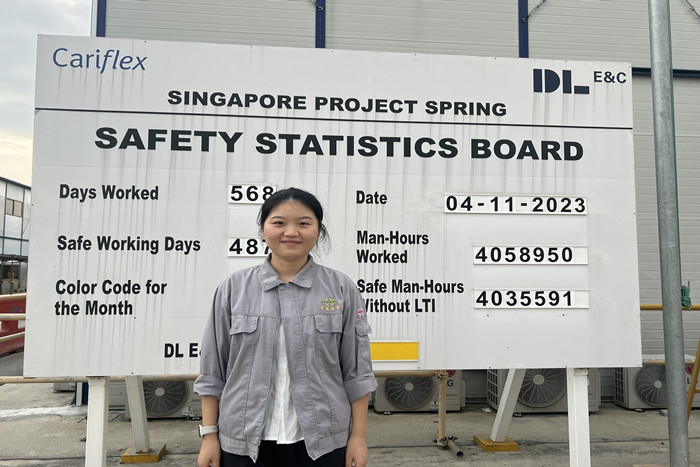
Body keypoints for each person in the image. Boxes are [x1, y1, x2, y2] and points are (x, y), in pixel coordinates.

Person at [195, 187, 377, 467]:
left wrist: (358, 437)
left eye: (304, 223)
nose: (291, 232)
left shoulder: (341, 289)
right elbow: (212, 371)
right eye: (279, 222)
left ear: (318, 230)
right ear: (263, 229)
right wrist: (209, 437)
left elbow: (357, 372)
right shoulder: (233, 289)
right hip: (243, 441)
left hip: (322, 441)